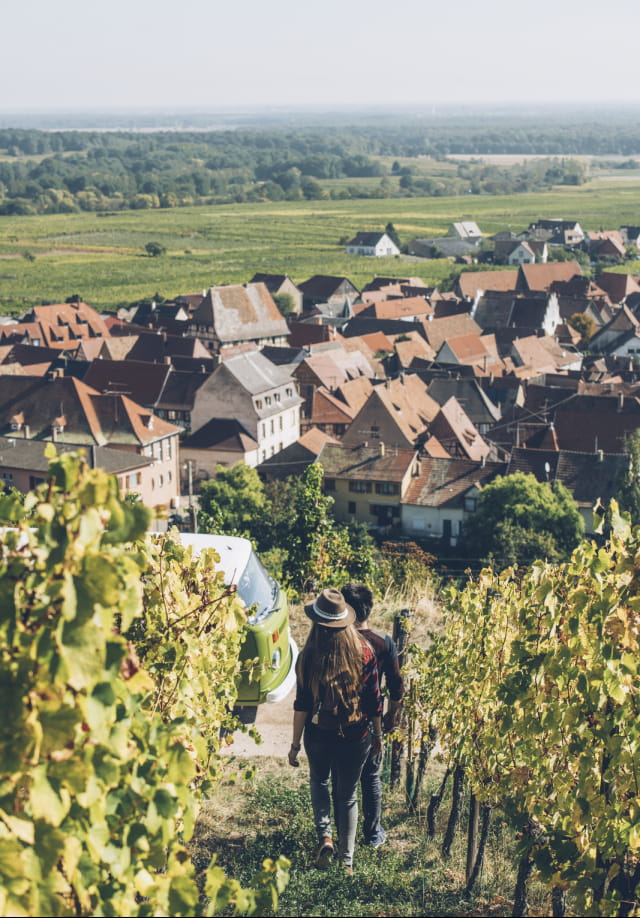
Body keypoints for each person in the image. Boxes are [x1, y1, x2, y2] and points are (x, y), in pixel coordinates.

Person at [288, 588, 382, 873]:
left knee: (319, 782)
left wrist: (294, 744)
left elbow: (302, 704)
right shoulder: (364, 651)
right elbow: (374, 700)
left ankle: (325, 837)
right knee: (348, 795)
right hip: (356, 733)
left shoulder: (307, 657)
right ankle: (346, 860)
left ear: (316, 622)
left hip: (319, 733)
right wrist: (378, 736)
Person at [340, 581, 405, 849]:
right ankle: (372, 834)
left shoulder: (337, 641)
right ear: (370, 608)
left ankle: (342, 835)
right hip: (370, 722)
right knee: (371, 778)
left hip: (340, 720)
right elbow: (396, 685)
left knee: (342, 780)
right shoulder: (384, 643)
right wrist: (392, 714)